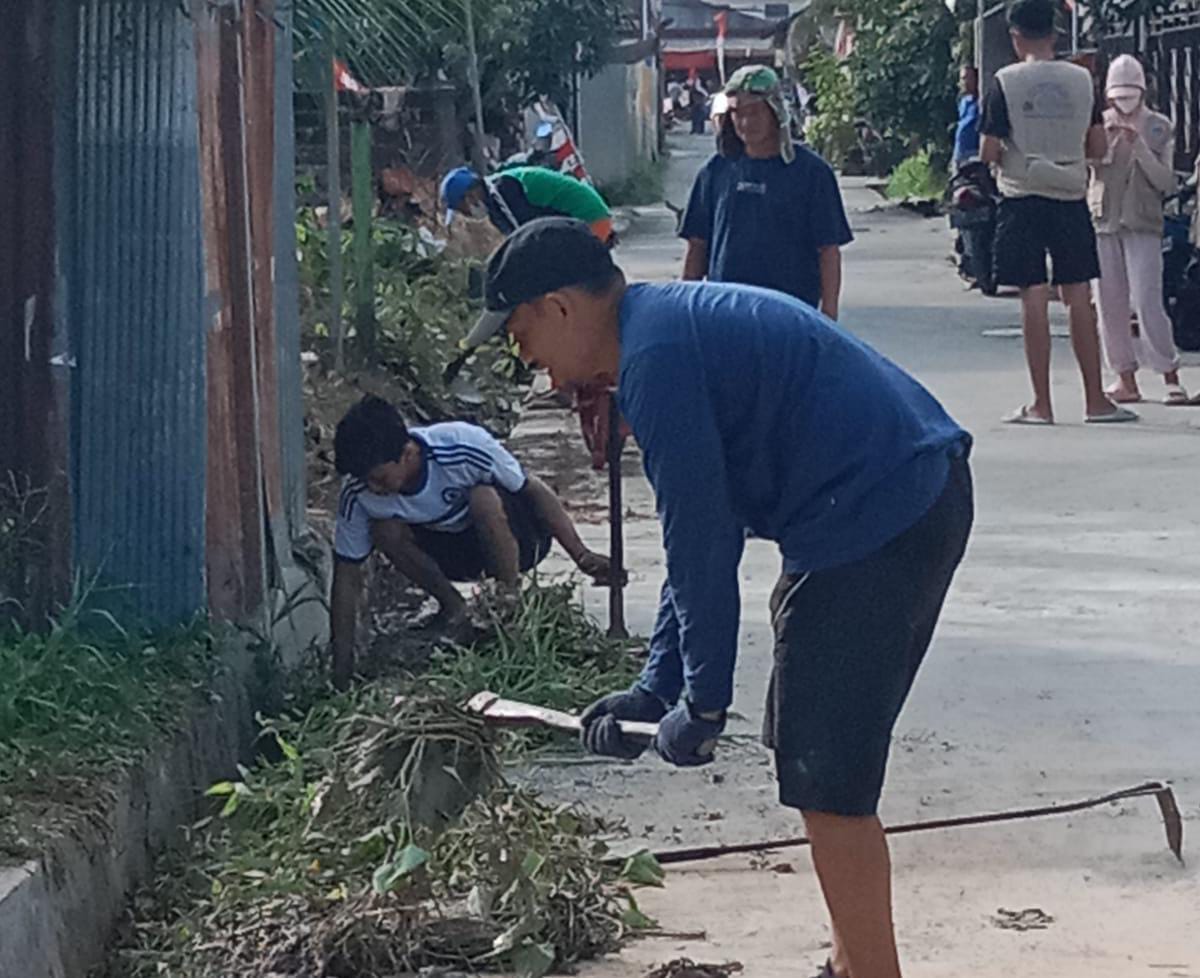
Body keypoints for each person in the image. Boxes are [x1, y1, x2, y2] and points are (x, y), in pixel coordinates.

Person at [464, 216, 974, 978]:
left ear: (560, 307)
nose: (528, 361)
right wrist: (654, 689)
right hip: (902, 494)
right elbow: (706, 532)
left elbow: (701, 544)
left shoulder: (656, 361)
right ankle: (849, 963)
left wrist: (702, 703)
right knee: (813, 757)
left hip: (878, 512)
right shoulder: (660, 330)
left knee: (826, 776)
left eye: (521, 334)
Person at [329, 395, 614, 689]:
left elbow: (533, 489)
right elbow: (346, 574)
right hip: (453, 553)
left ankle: (507, 605)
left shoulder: (461, 447)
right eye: (366, 480)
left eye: (380, 478)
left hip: (518, 537)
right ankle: (455, 608)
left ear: (406, 454)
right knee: (384, 529)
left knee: (483, 498)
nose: (374, 488)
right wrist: (342, 670)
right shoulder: (358, 493)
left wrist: (581, 555)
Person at [979, 0, 1136, 425]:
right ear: (1054, 34)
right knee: (1078, 295)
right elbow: (1098, 147)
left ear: (1016, 37)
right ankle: (1095, 401)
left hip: (1021, 198)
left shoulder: (1004, 82)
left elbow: (988, 150)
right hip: (1070, 199)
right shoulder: (1083, 80)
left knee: (1032, 295)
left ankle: (1041, 405)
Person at [680, 65, 853, 319]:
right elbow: (697, 245)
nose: (745, 123)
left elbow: (828, 250)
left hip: (791, 314)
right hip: (726, 314)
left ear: (776, 111)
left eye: (754, 112)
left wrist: (828, 316)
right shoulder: (715, 171)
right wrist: (686, 311)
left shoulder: (812, 173)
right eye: (737, 113)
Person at [1090, 54, 1190, 405]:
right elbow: (1090, 168)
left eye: (1130, 96)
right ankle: (1124, 376)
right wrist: (1108, 147)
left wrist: (1139, 148)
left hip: (1143, 222)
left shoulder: (1159, 126)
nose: (1124, 105)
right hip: (1105, 221)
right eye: (1118, 97)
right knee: (1108, 303)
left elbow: (1166, 182)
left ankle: (1169, 373)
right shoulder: (1099, 124)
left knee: (1148, 299)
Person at [440, 165, 615, 246]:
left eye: (461, 209)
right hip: (576, 222)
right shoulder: (495, 206)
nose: (466, 215)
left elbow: (526, 237)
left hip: (588, 217)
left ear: (470, 196)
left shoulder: (503, 190)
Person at [953, 65, 981, 168]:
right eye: (962, 79)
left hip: (974, 155)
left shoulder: (981, 103)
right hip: (960, 154)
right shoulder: (964, 102)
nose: (965, 82)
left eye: (968, 78)